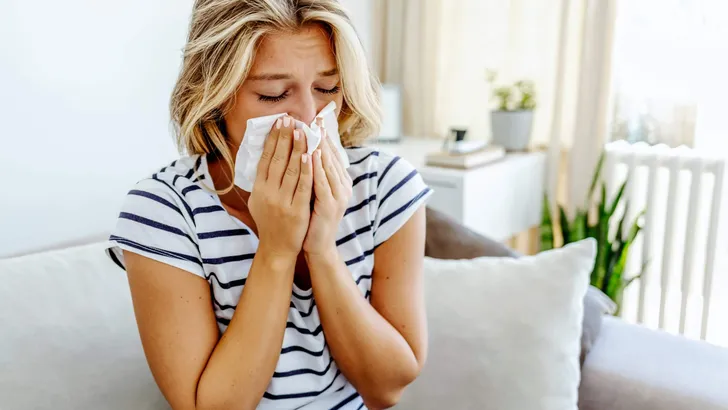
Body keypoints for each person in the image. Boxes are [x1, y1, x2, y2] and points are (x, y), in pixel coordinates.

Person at [106, 1, 432, 409]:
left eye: (327, 88)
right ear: (215, 97)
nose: (309, 116)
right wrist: (277, 250)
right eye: (274, 94)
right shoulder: (163, 210)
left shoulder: (385, 185)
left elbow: (387, 389)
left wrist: (321, 249)